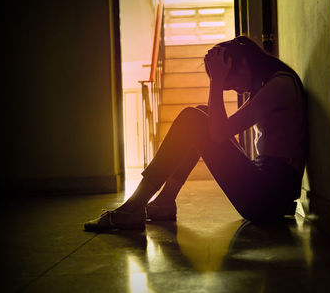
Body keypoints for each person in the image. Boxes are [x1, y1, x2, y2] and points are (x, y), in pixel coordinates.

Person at [84, 35, 307, 231]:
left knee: (193, 119)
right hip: (268, 191)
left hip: (268, 200)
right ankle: (164, 201)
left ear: (242, 65)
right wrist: (219, 80)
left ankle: (134, 206)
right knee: (203, 113)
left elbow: (219, 133)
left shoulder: (279, 86)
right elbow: (219, 128)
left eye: (232, 84)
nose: (238, 90)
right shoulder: (273, 82)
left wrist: (217, 81)